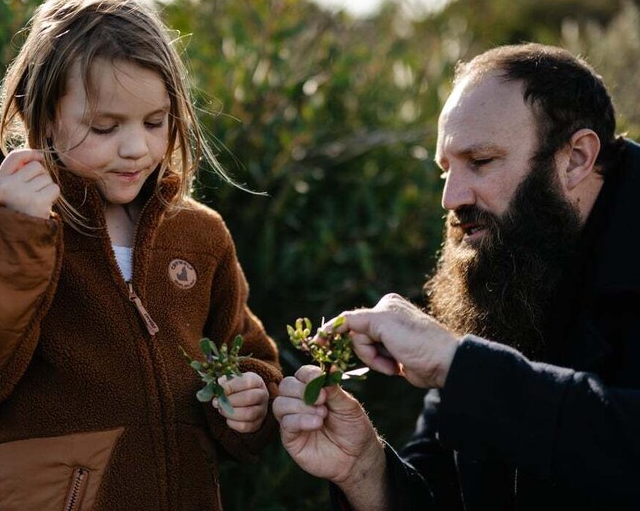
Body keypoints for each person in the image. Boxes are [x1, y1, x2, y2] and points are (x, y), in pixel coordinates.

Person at [0, 0, 282, 511]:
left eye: (155, 122)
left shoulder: (199, 235)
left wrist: (251, 401)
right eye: (104, 126)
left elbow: (243, 352)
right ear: (44, 115)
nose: (136, 147)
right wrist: (14, 236)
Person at [274, 43, 640, 510]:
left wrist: (459, 365)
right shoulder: (509, 263)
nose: (450, 197)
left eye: (481, 161)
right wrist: (363, 469)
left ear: (575, 158)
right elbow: (444, 494)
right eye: (445, 171)